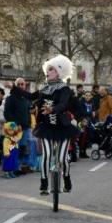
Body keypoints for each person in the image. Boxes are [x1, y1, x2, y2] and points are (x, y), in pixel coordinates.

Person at [34, 55, 79, 195]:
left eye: (51, 70)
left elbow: (64, 104)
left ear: (58, 73)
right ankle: (44, 183)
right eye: (47, 70)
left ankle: (66, 178)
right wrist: (15, 89)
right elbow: (35, 101)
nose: (47, 72)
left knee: (61, 159)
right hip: (47, 128)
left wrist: (52, 109)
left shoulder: (65, 89)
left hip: (62, 128)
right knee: (46, 155)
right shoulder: (44, 89)